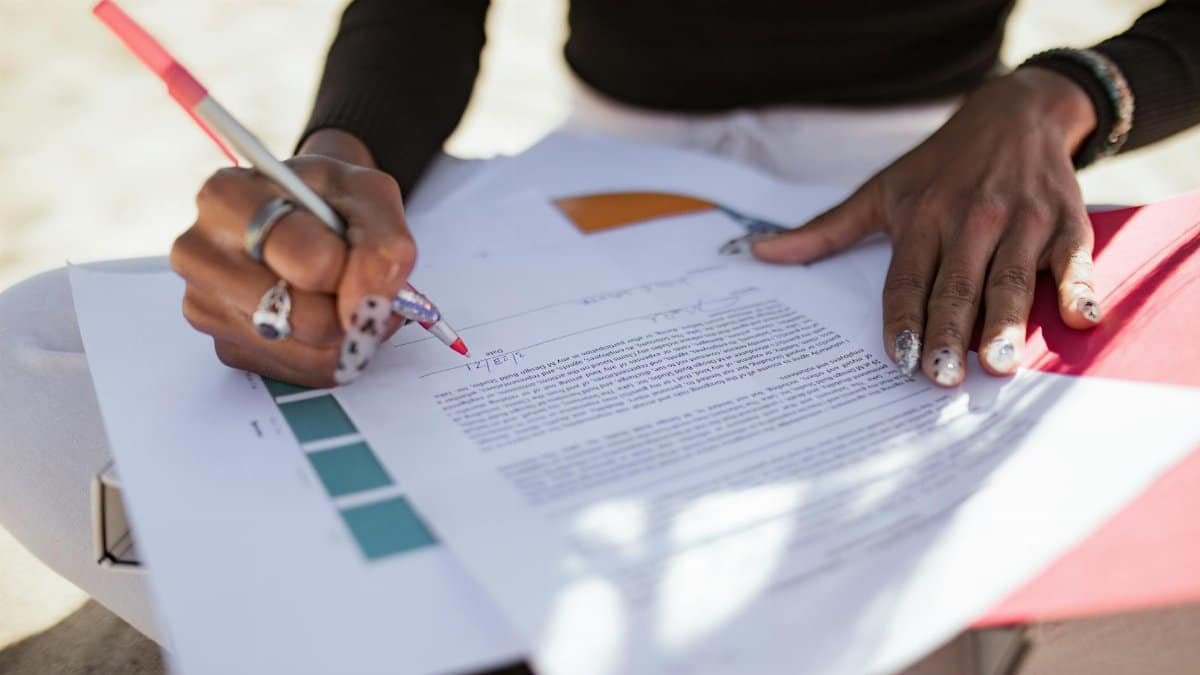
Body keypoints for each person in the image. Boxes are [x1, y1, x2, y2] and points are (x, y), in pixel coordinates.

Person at [2, 0, 1199, 671]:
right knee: (34, 356)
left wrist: (1068, 93)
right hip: (598, 174)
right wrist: (342, 162)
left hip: (941, 175)